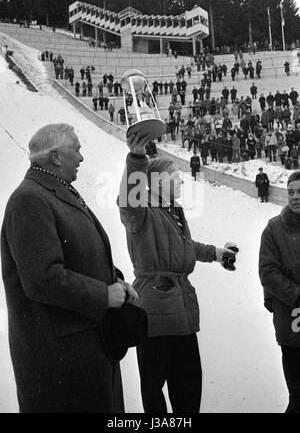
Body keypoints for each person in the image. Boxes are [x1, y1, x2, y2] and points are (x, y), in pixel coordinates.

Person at [0, 124, 140, 413]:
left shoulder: (55, 192)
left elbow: (82, 255)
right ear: (54, 156)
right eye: (76, 150)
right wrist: (103, 295)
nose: (81, 157)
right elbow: (42, 278)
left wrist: (116, 281)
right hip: (61, 362)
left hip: (82, 351)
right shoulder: (30, 199)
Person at [118, 132, 238, 414]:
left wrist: (217, 253)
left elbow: (185, 247)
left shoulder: (173, 211)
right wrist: (137, 158)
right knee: (155, 391)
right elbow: (129, 198)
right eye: (175, 176)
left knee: (188, 386)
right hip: (156, 313)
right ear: (157, 182)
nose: (181, 180)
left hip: (182, 311)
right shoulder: (141, 213)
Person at [259, 171, 300, 413]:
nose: (295, 197)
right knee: (297, 395)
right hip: (292, 322)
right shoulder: (274, 229)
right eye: (291, 192)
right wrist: (296, 295)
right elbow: (268, 272)